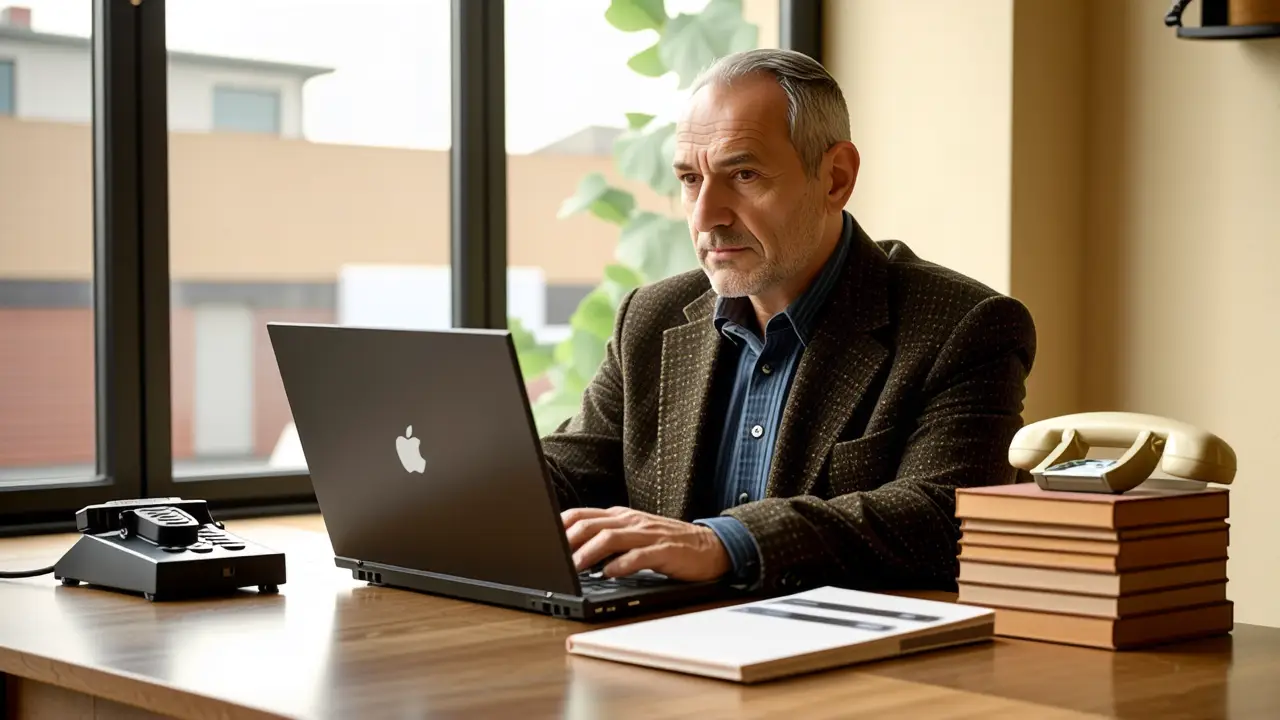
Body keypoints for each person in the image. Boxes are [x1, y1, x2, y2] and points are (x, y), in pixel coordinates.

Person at [541, 48, 1036, 596]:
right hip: (649, 645)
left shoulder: (962, 326)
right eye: (689, 179)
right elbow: (574, 469)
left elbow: (948, 516)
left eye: (744, 174)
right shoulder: (650, 320)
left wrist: (723, 543)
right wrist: (462, 481)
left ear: (835, 179)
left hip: (843, 665)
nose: (705, 216)